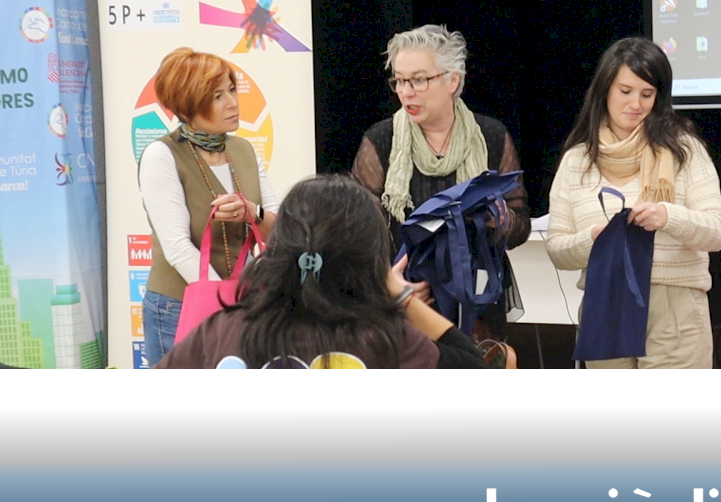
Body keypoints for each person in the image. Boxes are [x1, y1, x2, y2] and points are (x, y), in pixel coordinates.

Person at [157, 175, 491, 369]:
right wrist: (398, 292)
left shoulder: (221, 329)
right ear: (368, 261)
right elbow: (474, 369)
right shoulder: (388, 340)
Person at [546, 37, 721, 369]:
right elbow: (557, 250)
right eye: (625, 91)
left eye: (647, 94)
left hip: (673, 307)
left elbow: (716, 232)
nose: (635, 104)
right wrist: (594, 239)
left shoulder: (684, 150)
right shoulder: (577, 160)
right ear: (605, 89)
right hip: (605, 305)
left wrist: (667, 217)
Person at [352, 24, 530, 347]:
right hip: (404, 306)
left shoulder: (491, 136)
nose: (406, 92)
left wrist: (497, 218)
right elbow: (357, 235)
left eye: (419, 80)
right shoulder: (381, 141)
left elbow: (521, 226)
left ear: (453, 81)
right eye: (400, 80)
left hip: (475, 305)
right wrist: (390, 283)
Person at [138, 47, 280, 367]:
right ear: (188, 105)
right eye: (217, 96)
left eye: (231, 90)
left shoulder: (243, 149)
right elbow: (177, 248)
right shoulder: (162, 155)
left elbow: (278, 227)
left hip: (239, 304)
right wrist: (223, 306)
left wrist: (253, 213)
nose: (232, 103)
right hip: (179, 306)